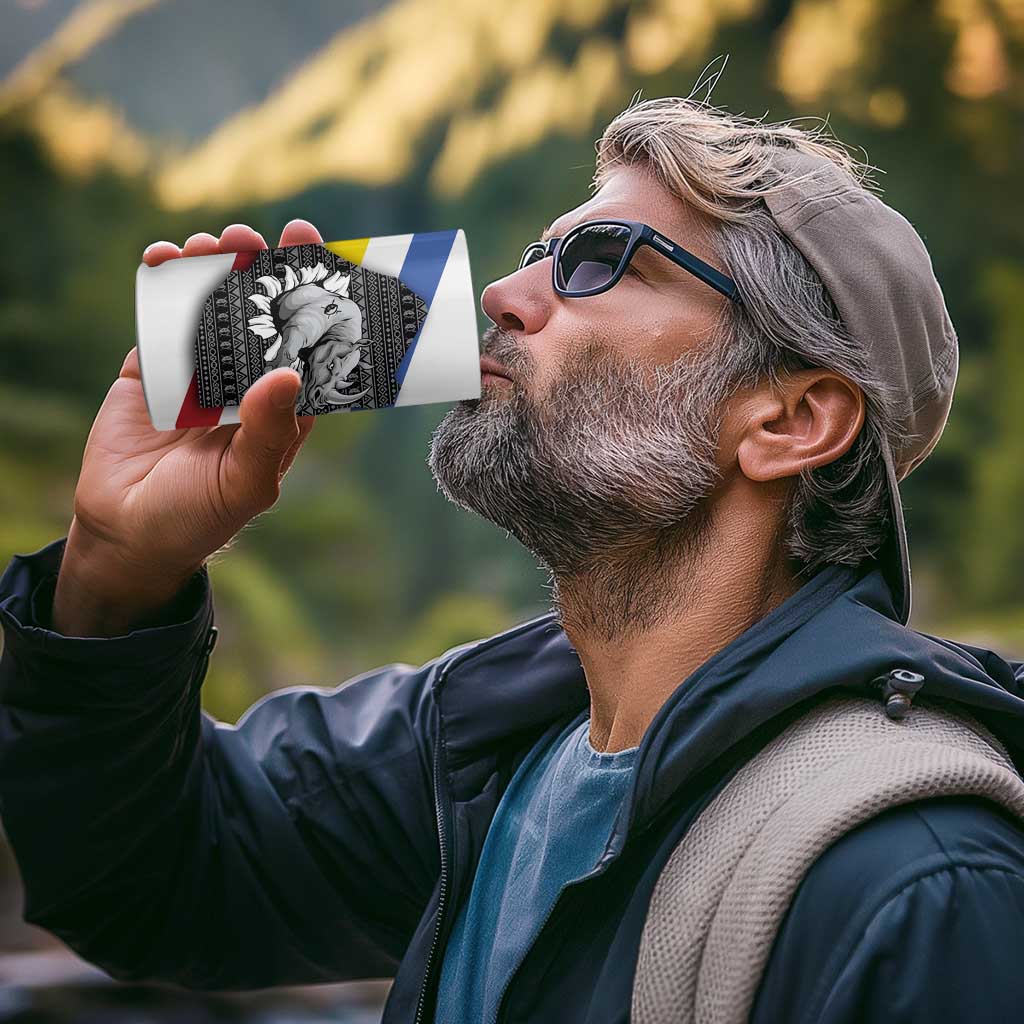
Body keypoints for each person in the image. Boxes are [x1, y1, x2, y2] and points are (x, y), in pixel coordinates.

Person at [2, 95, 1024, 1024]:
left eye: (600, 261)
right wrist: (116, 571)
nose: (502, 291)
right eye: (540, 252)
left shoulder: (918, 884)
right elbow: (149, 880)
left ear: (791, 419)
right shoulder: (480, 748)